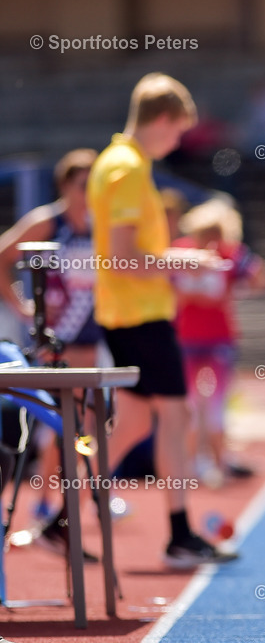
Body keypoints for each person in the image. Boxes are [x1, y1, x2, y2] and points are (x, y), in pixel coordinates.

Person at [88, 72, 232, 568]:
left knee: (130, 422)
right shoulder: (127, 168)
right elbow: (126, 257)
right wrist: (183, 261)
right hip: (140, 314)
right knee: (177, 416)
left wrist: (172, 259)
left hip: (125, 312)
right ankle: (177, 535)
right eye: (176, 133)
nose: (176, 144)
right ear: (163, 120)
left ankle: (63, 512)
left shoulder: (114, 161)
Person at [0, 149, 103, 538]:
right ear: (65, 186)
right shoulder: (47, 222)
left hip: (91, 338)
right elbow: (2, 256)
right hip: (56, 342)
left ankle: (58, 514)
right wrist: (22, 307)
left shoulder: (99, 225)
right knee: (60, 428)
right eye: (83, 184)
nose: (90, 192)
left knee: (82, 430)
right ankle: (48, 512)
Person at [173, 197, 265, 485]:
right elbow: (158, 280)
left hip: (219, 338)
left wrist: (237, 289)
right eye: (204, 233)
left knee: (215, 405)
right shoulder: (180, 252)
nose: (210, 240)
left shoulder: (231, 254)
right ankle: (191, 463)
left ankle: (220, 462)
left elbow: (259, 276)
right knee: (188, 404)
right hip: (186, 338)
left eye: (216, 234)